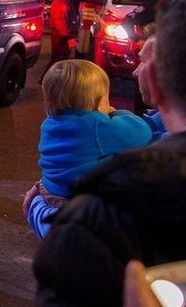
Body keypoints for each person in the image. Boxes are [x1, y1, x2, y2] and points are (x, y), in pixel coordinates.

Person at [33, 0, 186, 306]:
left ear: (158, 83)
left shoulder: (116, 202)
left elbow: (79, 264)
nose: (134, 68)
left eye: (142, 59)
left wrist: (38, 213)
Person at [23, 59, 153, 238]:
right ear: (99, 103)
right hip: (73, 201)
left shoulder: (51, 122)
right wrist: (115, 112)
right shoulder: (97, 125)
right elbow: (142, 131)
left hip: (49, 191)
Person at [41, 0, 80, 81]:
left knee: (61, 59)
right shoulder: (60, 2)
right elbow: (60, 23)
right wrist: (69, 37)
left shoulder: (67, 1)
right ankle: (46, 79)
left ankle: (52, 79)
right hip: (60, 37)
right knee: (58, 59)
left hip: (64, 36)